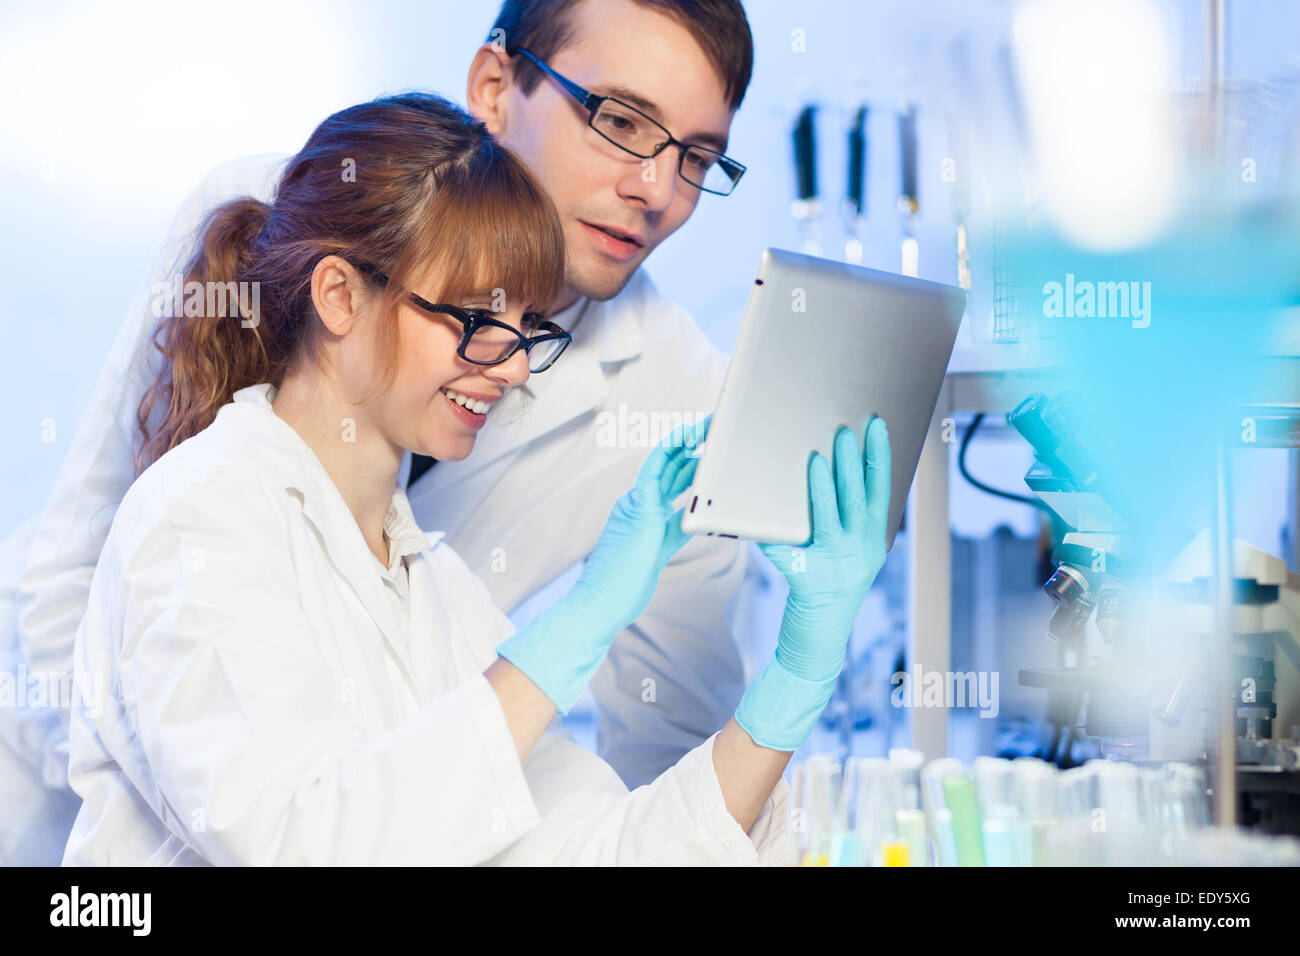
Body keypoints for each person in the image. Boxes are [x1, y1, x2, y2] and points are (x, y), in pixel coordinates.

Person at [60, 92, 891, 865]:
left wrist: (795, 678)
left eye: (526, 326)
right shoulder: (198, 519)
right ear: (340, 296)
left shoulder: (433, 586)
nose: (513, 366)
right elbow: (307, 843)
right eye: (473, 318)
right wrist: (573, 631)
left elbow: (599, 849)